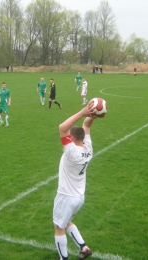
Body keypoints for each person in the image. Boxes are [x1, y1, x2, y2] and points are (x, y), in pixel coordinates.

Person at [53, 103, 105, 260]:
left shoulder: (71, 151)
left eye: (70, 136)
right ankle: (84, 248)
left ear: (73, 138)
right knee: (67, 222)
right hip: (79, 197)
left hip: (66, 196)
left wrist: (83, 112)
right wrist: (93, 115)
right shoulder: (87, 148)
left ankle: (64, 258)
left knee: (58, 226)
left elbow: (62, 128)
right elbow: (86, 125)